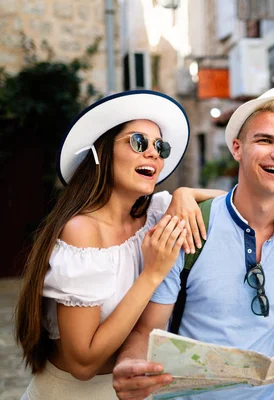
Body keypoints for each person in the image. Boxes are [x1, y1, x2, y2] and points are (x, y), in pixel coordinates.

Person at [111, 88, 274, 400]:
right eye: (265, 140)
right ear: (236, 147)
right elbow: (147, 330)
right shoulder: (189, 228)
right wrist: (130, 365)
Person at [15, 90, 224, 400]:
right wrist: (152, 274)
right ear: (103, 152)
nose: (153, 153)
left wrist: (184, 193)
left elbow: (234, 204)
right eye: (138, 142)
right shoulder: (81, 232)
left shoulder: (154, 211)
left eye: (160, 146)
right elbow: (83, 363)